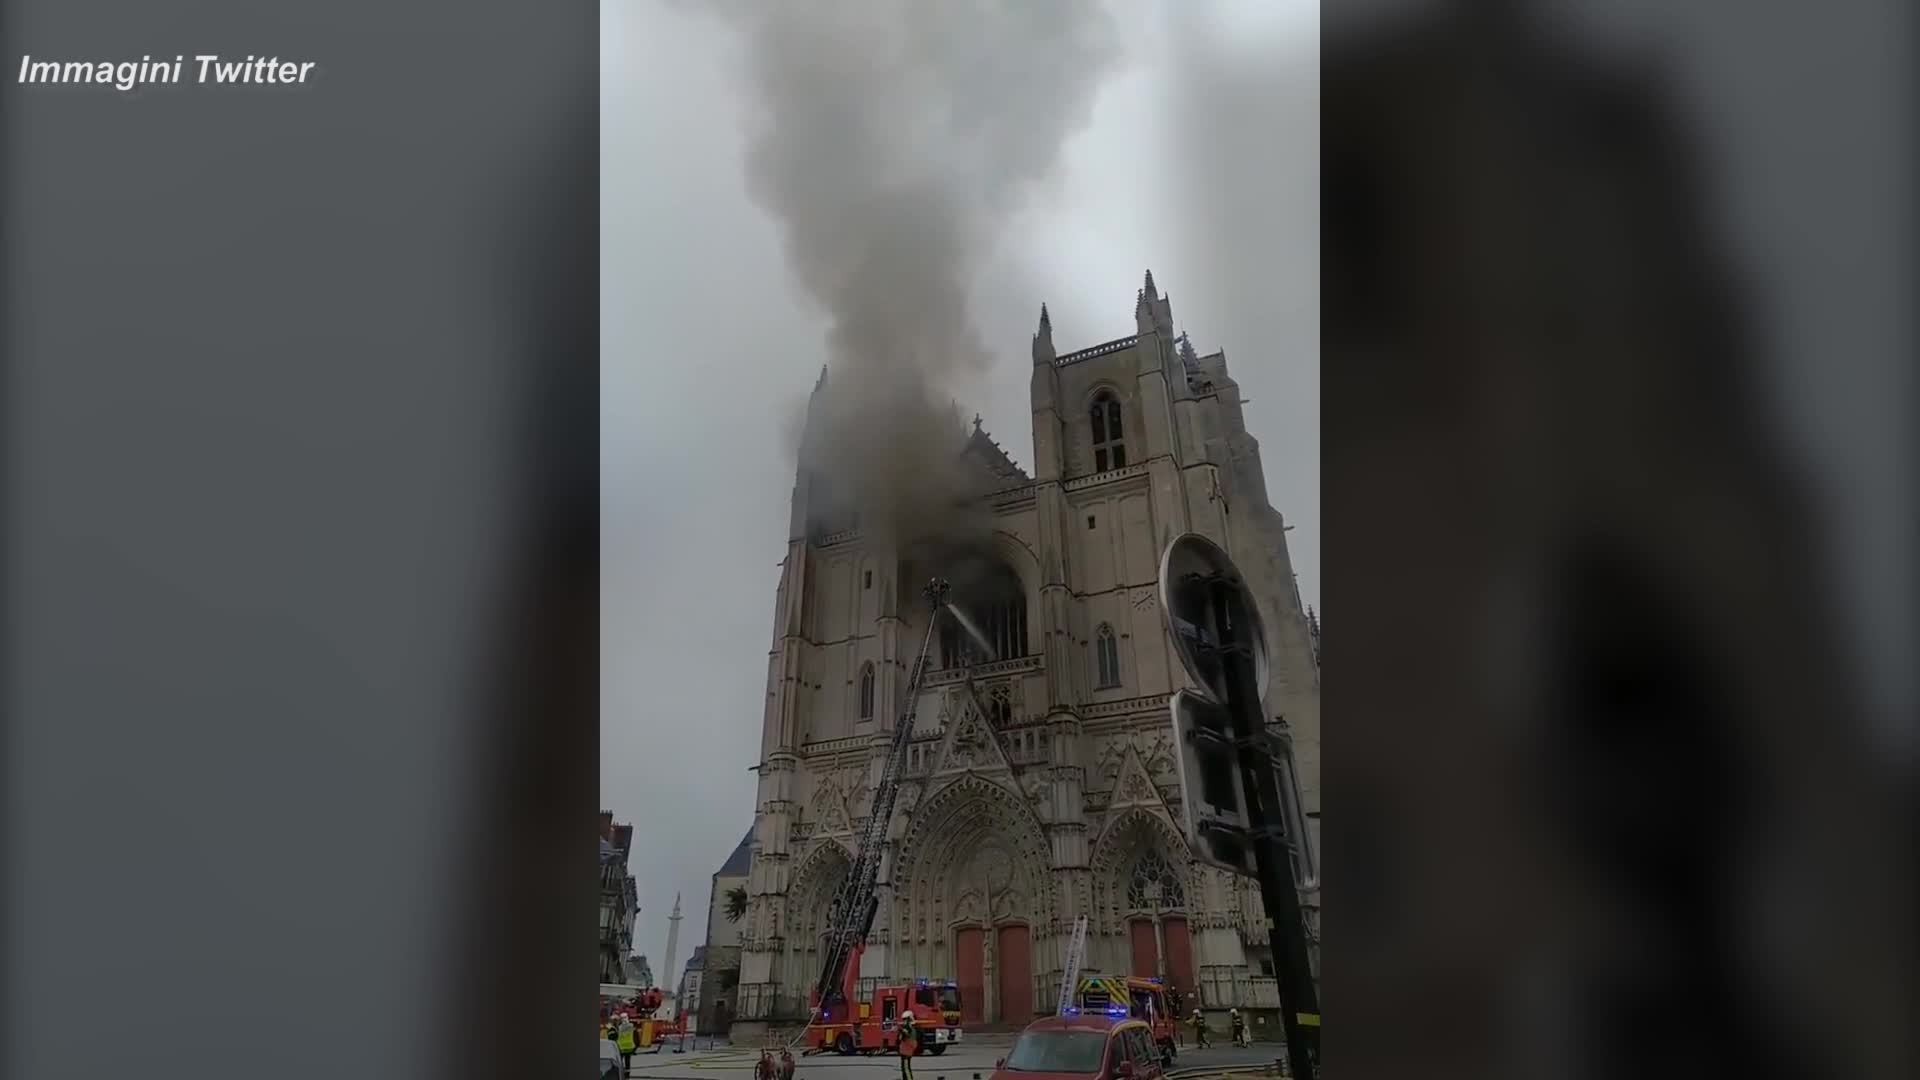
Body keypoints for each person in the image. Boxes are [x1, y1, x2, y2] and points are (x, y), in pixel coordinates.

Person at [896, 1008, 919, 1080]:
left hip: (906, 1051)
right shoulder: (909, 1027)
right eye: (904, 1019)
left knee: (906, 1068)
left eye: (905, 1019)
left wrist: (901, 1031)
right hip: (905, 1051)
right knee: (904, 1068)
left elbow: (906, 1035)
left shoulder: (909, 1028)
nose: (904, 1021)